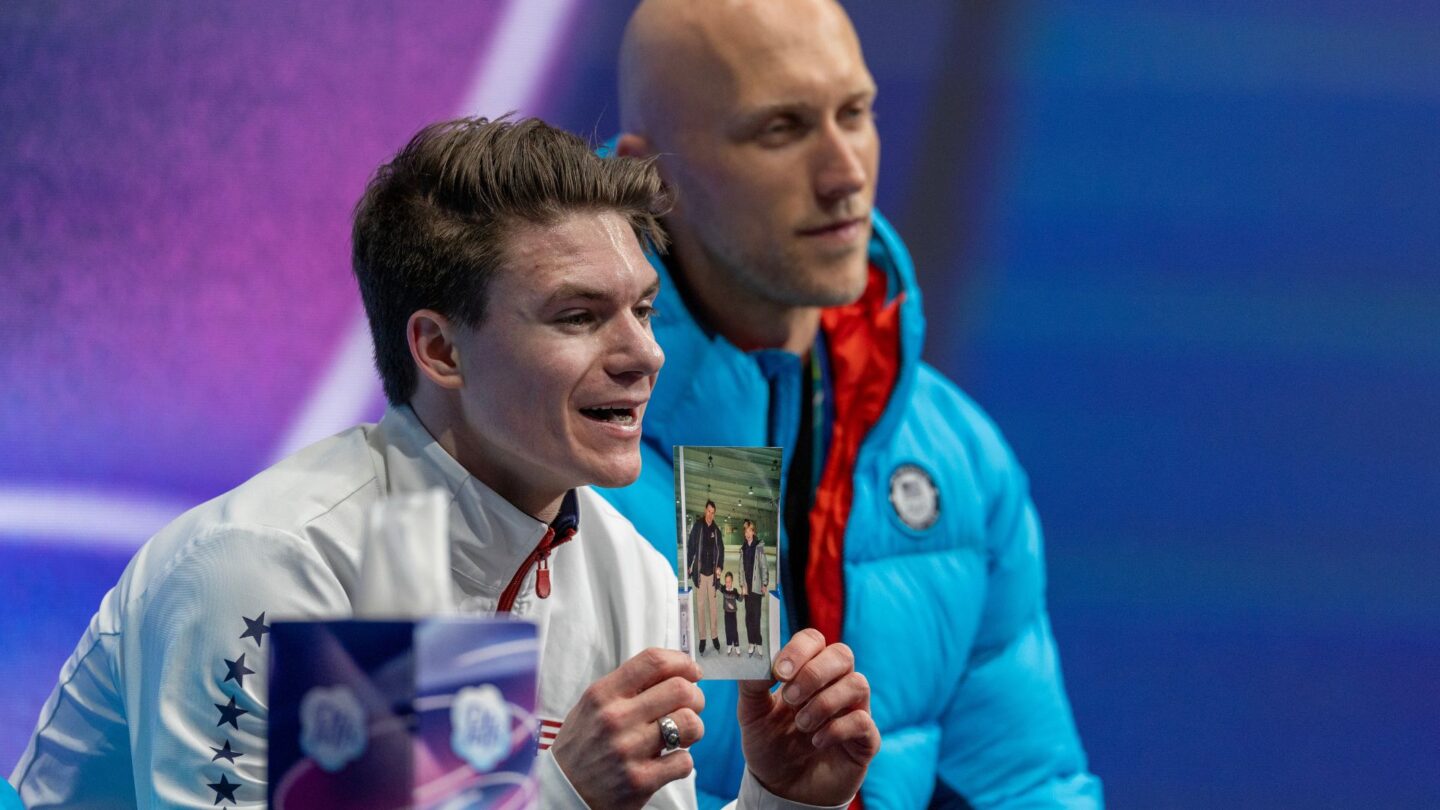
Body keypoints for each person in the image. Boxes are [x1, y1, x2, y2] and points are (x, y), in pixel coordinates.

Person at [12, 116, 881, 809]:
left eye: (644, 310)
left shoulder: (638, 574)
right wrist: (560, 795)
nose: (644, 355)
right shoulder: (267, 562)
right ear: (440, 349)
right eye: (579, 316)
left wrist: (780, 800)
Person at [602, 0, 1103, 806]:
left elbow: (1027, 784)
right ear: (651, 178)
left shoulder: (957, 456)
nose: (844, 174)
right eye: (781, 129)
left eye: (855, 113)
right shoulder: (523, 453)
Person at [686, 499, 725, 654]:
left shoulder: (716, 530)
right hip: (701, 575)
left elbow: (721, 550)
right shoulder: (698, 527)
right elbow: (691, 547)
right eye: (708, 511)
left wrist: (720, 567)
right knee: (701, 607)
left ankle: (714, 636)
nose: (710, 515)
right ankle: (702, 638)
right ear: (705, 510)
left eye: (713, 513)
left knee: (713, 608)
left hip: (712, 577)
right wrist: (689, 564)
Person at [739, 520, 768, 658]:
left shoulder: (759, 546)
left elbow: (764, 566)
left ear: (753, 531)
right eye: (745, 531)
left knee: (756, 616)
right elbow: (740, 569)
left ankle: (759, 642)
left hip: (756, 587)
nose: (747, 533)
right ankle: (751, 642)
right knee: (748, 617)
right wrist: (742, 584)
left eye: (749, 530)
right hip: (747, 588)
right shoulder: (743, 548)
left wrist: (765, 583)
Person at [721, 572, 740, 656]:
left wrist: (743, 593)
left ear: (732, 581)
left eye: (729, 581)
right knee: (728, 629)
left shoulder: (735, 591)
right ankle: (729, 644)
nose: (727, 584)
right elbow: (717, 585)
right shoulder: (724, 589)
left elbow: (740, 599)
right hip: (726, 613)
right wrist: (717, 576)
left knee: (734, 629)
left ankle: (736, 645)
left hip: (733, 613)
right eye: (726, 582)